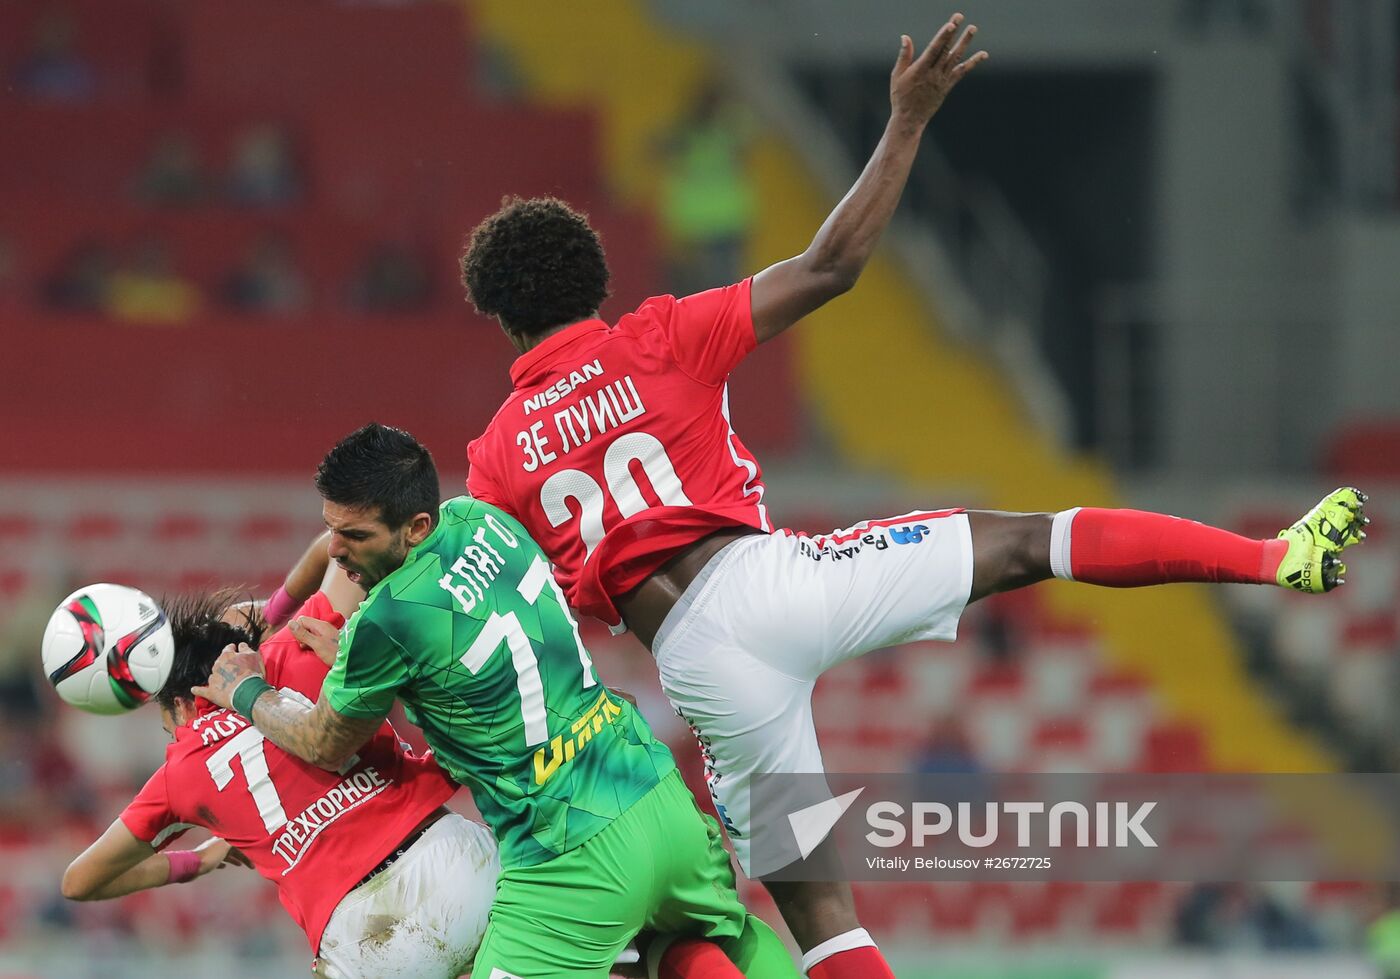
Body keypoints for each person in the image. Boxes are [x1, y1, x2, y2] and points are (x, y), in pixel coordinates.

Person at [455, 13, 1369, 978]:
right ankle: (1273, 557)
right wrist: (906, 121)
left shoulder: (496, 455)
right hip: (772, 585)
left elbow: (499, 609)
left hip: (700, 676)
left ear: (503, 318)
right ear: (591, 281)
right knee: (1028, 540)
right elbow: (832, 265)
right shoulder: (659, 334)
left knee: (823, 922)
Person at [194, 424, 799, 978]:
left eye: (355, 536)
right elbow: (462, 651)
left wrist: (246, 690)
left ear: (416, 527)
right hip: (653, 794)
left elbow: (326, 743)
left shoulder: (386, 620)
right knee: (724, 938)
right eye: (334, 529)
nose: (335, 551)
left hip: (567, 852)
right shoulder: (482, 518)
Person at [62, 575, 498, 978]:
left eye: (167, 724)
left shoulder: (179, 773)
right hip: (459, 864)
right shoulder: (295, 645)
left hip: (368, 940)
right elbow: (339, 545)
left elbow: (79, 881)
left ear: (182, 703)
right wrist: (277, 606)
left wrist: (196, 862)